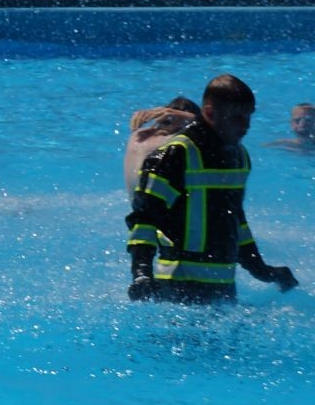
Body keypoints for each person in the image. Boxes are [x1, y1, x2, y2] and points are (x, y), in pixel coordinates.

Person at [126, 74, 298, 303]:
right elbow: (144, 218)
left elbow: (236, 218)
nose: (245, 126)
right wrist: (141, 274)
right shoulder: (174, 155)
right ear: (209, 113)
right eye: (236, 117)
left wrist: (260, 269)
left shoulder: (239, 156)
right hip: (177, 290)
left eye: (248, 117)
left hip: (224, 287)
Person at [121, 97, 199, 196]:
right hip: (159, 208)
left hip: (138, 207)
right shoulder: (175, 142)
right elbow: (207, 130)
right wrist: (189, 117)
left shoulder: (137, 136)